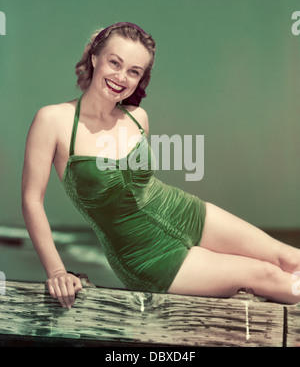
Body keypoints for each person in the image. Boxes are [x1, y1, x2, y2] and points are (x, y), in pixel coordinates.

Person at [22, 22, 300, 309]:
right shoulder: (53, 120)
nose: (121, 77)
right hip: (146, 256)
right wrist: (56, 271)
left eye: (134, 71)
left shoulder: (137, 117)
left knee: (291, 259)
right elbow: (32, 200)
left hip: (184, 211)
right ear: (95, 58)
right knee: (266, 275)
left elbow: (141, 189)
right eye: (114, 63)